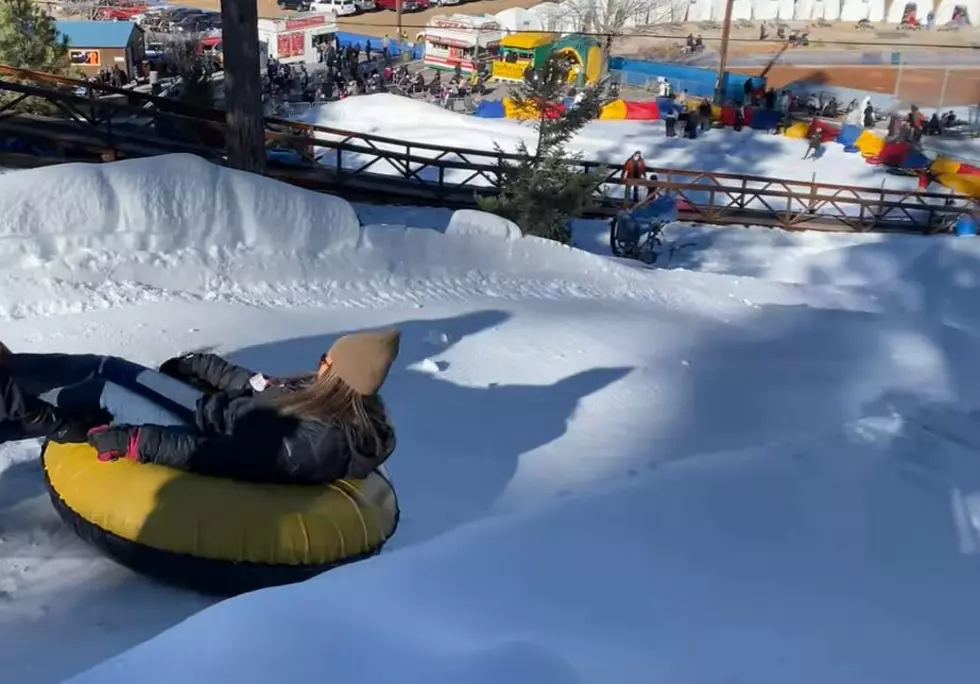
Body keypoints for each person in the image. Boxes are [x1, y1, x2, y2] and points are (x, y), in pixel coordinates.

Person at [0, 329, 400, 485]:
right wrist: (207, 367)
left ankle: (18, 415)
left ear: (341, 378)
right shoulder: (313, 390)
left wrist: (138, 441)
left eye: (326, 361)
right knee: (111, 367)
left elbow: (221, 458)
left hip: (201, 431)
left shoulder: (317, 441)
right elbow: (256, 387)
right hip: (208, 410)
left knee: (101, 389)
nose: (319, 363)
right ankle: (18, 396)